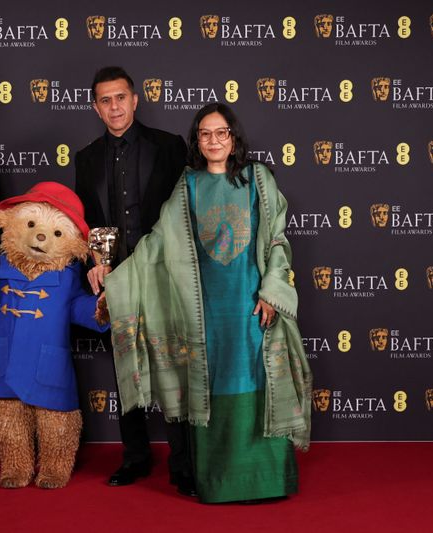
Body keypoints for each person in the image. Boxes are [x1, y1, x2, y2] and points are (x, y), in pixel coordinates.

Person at [105, 102, 312, 503]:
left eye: (221, 133)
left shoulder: (258, 179)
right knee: (211, 380)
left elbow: (276, 240)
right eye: (205, 134)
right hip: (203, 311)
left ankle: (265, 480)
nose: (213, 140)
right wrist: (115, 284)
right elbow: (158, 243)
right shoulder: (189, 186)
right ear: (197, 141)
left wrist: (272, 291)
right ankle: (218, 483)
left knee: (254, 377)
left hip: (252, 304)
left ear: (233, 138)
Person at [74, 66, 193, 495]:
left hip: (163, 274)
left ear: (135, 99)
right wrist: (96, 260)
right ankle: (135, 457)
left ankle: (183, 463)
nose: (114, 107)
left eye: (120, 97)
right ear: (95, 108)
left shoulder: (169, 146)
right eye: (105, 100)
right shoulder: (85, 157)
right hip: (118, 279)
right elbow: (89, 221)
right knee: (125, 367)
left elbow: (186, 211)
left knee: (172, 366)